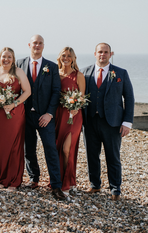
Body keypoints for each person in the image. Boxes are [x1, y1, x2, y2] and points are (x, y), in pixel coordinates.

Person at [81, 43, 134, 201]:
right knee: (92, 155)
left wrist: (127, 122)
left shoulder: (121, 73)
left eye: (105, 52)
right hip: (89, 121)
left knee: (113, 156)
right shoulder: (85, 72)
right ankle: (95, 184)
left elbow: (129, 98)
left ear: (111, 54)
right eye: (100, 52)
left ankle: (115, 188)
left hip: (112, 122)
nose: (102, 55)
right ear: (95, 53)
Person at [15, 34, 65, 200]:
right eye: (34, 43)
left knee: (50, 148)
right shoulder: (19, 64)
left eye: (40, 43)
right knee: (28, 149)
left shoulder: (51, 66)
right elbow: (14, 87)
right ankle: (34, 178)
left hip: (45, 116)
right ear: (29, 44)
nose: (37, 45)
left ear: (43, 46)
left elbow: (56, 91)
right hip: (25, 115)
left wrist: (49, 114)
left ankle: (56, 185)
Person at [0, 47, 31, 190]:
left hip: (15, 113)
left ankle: (13, 180)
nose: (6, 59)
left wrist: (14, 104)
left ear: (13, 59)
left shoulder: (18, 72)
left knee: (13, 145)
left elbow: (27, 91)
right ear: (0, 57)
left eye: (9, 57)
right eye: (4, 56)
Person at [55, 47, 86, 196]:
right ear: (59, 57)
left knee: (67, 149)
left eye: (69, 56)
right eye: (63, 55)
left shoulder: (78, 75)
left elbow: (82, 97)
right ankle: (58, 179)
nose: (66, 58)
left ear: (73, 58)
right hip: (57, 115)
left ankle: (66, 182)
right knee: (57, 147)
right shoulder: (55, 74)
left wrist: (76, 106)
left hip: (73, 115)